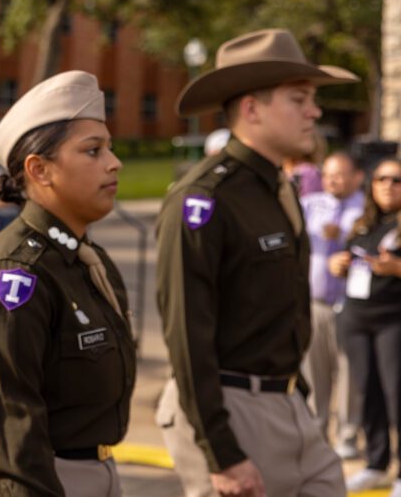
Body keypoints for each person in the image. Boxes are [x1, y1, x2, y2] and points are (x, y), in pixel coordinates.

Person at [155, 28, 356, 497]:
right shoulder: (203, 199)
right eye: (299, 99)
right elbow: (187, 336)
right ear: (251, 108)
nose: (315, 111)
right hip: (231, 408)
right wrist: (221, 451)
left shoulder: (280, 187)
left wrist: (301, 402)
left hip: (288, 401)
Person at [0, 70, 134, 496]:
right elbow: (13, 433)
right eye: (93, 151)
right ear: (40, 170)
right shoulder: (15, 273)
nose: (114, 162)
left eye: (108, 147)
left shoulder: (86, 259)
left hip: (93, 472)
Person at [329, 157, 401, 495]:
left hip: (393, 320)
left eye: (397, 180)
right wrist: (337, 263)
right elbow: (344, 259)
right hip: (356, 320)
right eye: (382, 179)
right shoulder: (363, 222)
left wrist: (397, 269)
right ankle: (376, 463)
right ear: (371, 186)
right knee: (366, 393)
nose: (388, 185)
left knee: (396, 395)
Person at [299, 151, 365, 457]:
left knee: (349, 372)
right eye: (327, 175)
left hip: (349, 306)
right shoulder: (312, 204)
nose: (331, 181)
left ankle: (348, 437)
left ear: (357, 177)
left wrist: (345, 235)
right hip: (315, 304)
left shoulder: (365, 207)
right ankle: (316, 433)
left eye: (339, 175)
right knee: (315, 372)